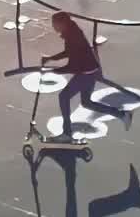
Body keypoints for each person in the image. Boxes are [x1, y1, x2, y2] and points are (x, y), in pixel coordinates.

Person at [41, 12, 127, 140]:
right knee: (86, 103)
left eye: (54, 24)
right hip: (90, 70)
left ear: (62, 23)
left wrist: (54, 71)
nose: (53, 27)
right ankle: (122, 115)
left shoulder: (72, 36)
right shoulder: (72, 31)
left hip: (85, 73)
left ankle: (67, 133)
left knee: (64, 97)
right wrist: (51, 59)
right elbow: (70, 52)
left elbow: (73, 67)